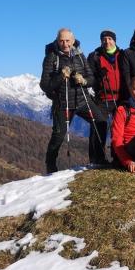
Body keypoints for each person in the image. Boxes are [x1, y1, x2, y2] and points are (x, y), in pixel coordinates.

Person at [40, 28, 107, 173]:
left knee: (100, 122)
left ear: (73, 40)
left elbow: (91, 78)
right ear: (57, 41)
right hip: (63, 103)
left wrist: (83, 81)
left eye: (67, 41)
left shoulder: (79, 55)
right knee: (58, 135)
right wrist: (60, 76)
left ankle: (98, 159)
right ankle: (51, 166)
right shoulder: (51, 57)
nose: (65, 44)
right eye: (61, 41)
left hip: (83, 100)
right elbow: (44, 85)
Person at [87, 29, 122, 164]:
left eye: (110, 39)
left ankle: (117, 157)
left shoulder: (122, 55)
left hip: (119, 98)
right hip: (102, 98)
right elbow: (89, 78)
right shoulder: (95, 56)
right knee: (98, 127)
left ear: (114, 40)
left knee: (118, 128)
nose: (107, 41)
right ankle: (97, 159)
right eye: (104, 39)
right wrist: (97, 79)